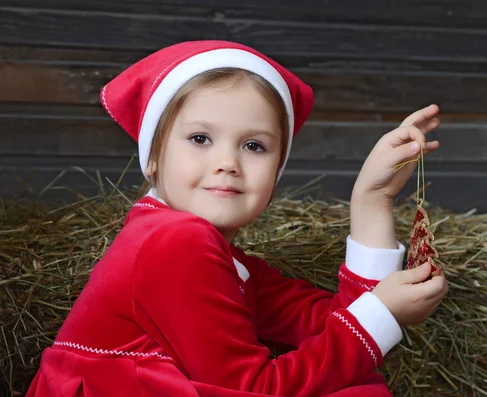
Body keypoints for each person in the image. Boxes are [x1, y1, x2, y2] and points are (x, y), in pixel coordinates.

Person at [25, 40, 447, 397]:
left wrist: (372, 198)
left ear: (278, 170)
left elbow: (339, 322)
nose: (227, 162)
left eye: (254, 146)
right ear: (152, 157)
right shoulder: (174, 242)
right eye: (200, 138)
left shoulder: (223, 257)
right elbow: (255, 388)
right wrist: (381, 315)